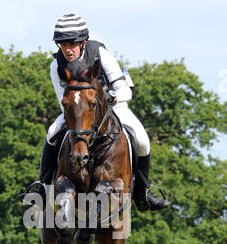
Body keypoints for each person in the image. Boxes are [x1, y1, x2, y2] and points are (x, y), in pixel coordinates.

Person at [24, 13, 170, 213]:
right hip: (77, 113)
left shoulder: (100, 54)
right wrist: (77, 115)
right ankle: (42, 186)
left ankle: (143, 193)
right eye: (63, 44)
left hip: (113, 107)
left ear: (83, 42)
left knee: (143, 140)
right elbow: (62, 101)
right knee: (51, 134)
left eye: (72, 43)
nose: (67, 49)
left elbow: (124, 88)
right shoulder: (56, 65)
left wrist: (113, 99)